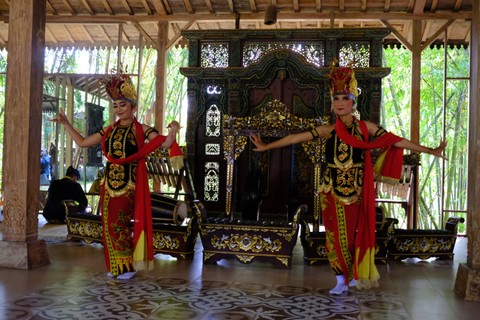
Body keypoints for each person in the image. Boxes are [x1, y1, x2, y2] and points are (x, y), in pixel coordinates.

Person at [250, 63, 446, 295]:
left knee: (353, 236)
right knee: (334, 236)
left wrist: (429, 150)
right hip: (331, 190)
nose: (340, 103)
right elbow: (295, 138)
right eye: (336, 98)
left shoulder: (366, 128)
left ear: (353, 101)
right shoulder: (328, 130)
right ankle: (341, 278)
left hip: (355, 191)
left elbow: (395, 141)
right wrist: (266, 146)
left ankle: (352, 273)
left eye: (344, 98)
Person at [51, 72, 183, 280]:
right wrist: (66, 123)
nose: (119, 109)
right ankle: (118, 265)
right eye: (115, 106)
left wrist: (174, 130)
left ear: (133, 106)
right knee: (108, 223)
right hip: (108, 183)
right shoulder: (109, 129)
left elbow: (164, 143)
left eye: (123, 104)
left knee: (118, 222)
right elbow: (83, 142)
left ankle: (126, 267)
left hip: (128, 183)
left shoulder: (142, 129)